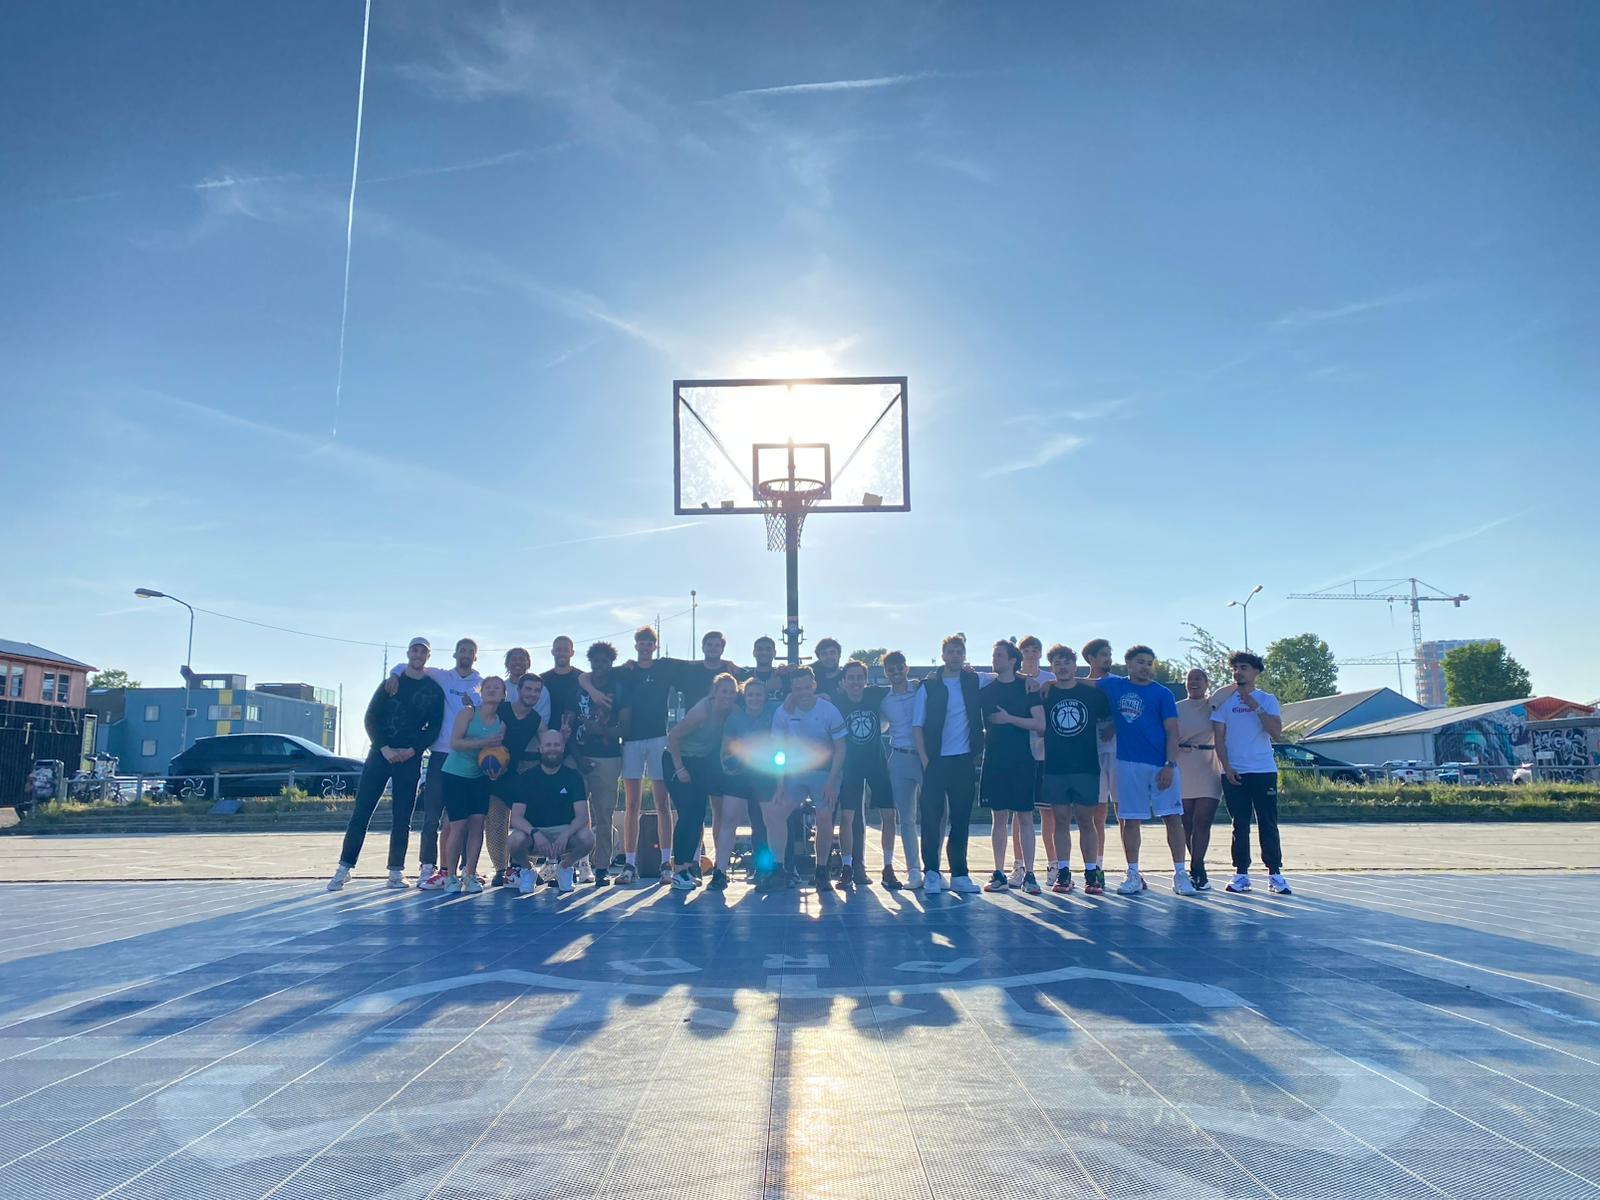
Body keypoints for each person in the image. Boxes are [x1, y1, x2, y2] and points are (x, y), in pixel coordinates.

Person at [327, 637, 444, 891]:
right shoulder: (391, 682)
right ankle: (344, 867)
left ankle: (395, 872)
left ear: (428, 656)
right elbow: (371, 717)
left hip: (409, 759)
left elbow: (434, 727)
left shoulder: (433, 690)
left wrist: (413, 749)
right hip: (380, 755)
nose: (418, 654)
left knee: (402, 817)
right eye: (414, 649)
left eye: (423, 651)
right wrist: (384, 747)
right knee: (362, 813)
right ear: (408, 653)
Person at [1099, 647, 1196, 897]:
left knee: (1173, 818)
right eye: (1140, 662)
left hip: (1160, 764)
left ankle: (1180, 874)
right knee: (1130, 819)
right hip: (1128, 764)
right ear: (1128, 664)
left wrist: (1170, 764)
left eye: (1149, 663)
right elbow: (1081, 684)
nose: (1145, 667)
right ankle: (1132, 873)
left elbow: (1173, 731)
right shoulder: (1113, 686)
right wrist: (1045, 685)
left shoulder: (1161, 694)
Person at [585, 626, 674, 886]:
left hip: (658, 738)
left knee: (662, 803)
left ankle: (666, 863)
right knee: (632, 804)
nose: (645, 647)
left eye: (650, 643)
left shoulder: (665, 667)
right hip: (631, 741)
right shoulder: (625, 670)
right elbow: (585, 678)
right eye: (641, 643)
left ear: (655, 646)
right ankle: (629, 864)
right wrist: (593, 692)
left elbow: (700, 667)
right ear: (636, 646)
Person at [388, 637, 481, 884]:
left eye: (470, 651)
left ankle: (460, 870)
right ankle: (427, 867)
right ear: (455, 654)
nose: (466, 654)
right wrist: (394, 675)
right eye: (462, 650)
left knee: (460, 818)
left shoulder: (480, 683)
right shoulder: (441, 676)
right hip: (440, 755)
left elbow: (486, 704)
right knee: (432, 816)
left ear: (475, 656)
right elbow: (408, 666)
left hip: (465, 758)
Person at [1211, 651, 1291, 895]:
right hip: (1235, 772)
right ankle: (1241, 874)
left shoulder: (1267, 699)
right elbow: (1219, 738)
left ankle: (1275, 874)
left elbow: (1276, 731)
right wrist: (1227, 766)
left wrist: (1253, 705)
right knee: (1240, 824)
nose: (1238, 672)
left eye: (1243, 667)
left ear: (1256, 672)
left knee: (1268, 822)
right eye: (1235, 668)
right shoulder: (1224, 701)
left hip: (1263, 770)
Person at [1037, 645, 1113, 895]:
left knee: (1086, 820)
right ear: (1052, 669)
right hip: (1056, 766)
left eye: (1067, 662)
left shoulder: (1091, 693)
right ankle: (1064, 871)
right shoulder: (1045, 693)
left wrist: (1112, 727)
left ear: (1075, 666)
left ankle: (1092, 872)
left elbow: (1113, 708)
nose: (1062, 667)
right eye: (1057, 663)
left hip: (1086, 766)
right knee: (1060, 821)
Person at [912, 635, 985, 895]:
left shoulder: (973, 680)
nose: (955, 655)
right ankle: (931, 872)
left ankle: (960, 874)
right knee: (932, 818)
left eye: (959, 651)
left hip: (963, 760)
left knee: (961, 818)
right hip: (935, 762)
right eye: (951, 651)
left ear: (964, 655)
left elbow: (1005, 676)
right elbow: (917, 726)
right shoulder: (929, 686)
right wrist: (925, 759)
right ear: (943, 655)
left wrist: (1035, 682)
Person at [422, 676, 506, 894]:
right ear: (481, 691)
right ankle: (450, 876)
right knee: (457, 826)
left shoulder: (501, 722)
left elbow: (497, 754)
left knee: (477, 825)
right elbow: (455, 743)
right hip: (455, 774)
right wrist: (483, 743)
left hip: (479, 777)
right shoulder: (468, 713)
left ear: (503, 695)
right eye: (488, 687)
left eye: (497, 687)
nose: (492, 690)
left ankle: (470, 874)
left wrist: (496, 770)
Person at [765, 667, 846, 891]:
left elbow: (840, 748)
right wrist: (780, 784)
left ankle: (821, 871)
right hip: (795, 771)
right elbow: (778, 751)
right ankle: (779, 868)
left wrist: (832, 780)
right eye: (797, 688)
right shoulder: (783, 712)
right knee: (774, 812)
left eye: (806, 687)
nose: (802, 692)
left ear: (814, 685)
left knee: (823, 816)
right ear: (792, 689)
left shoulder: (828, 710)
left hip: (824, 772)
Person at [980, 641, 1046, 894]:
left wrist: (1009, 719)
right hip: (995, 759)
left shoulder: (1027, 688)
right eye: (993, 654)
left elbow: (1040, 724)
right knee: (998, 818)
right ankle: (998, 872)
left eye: (999, 655)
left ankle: (1030, 874)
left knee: (1026, 817)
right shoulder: (986, 692)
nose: (995, 659)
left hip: (1022, 760)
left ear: (1012, 661)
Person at [665, 672, 738, 891]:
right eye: (723, 691)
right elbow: (673, 736)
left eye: (731, 692)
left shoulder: (730, 711)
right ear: (714, 692)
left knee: (698, 814)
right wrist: (679, 768)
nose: (727, 696)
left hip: (699, 764)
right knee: (686, 813)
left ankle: (687, 867)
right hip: (676, 759)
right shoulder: (701, 711)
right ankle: (677, 869)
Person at [508, 728, 595, 895]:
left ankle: (564, 868)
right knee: (513, 841)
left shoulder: (573, 776)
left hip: (563, 832)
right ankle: (528, 870)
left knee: (588, 838)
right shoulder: (526, 777)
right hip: (535, 834)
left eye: (556, 744)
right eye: (548, 745)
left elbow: (582, 815)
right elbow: (516, 818)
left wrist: (565, 835)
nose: (552, 748)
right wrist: (535, 833)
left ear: (563, 748)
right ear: (540, 748)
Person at [834, 659, 892, 888]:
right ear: (844, 682)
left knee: (889, 815)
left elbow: (906, 685)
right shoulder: (837, 701)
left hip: (876, 764)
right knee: (847, 817)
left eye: (860, 678)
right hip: (851, 766)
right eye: (851, 678)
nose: (856, 682)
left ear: (865, 681)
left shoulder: (875, 695)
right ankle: (847, 866)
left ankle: (888, 868)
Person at [484, 673, 544, 886]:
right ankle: (501, 870)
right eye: (528, 689)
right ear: (519, 690)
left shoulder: (536, 719)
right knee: (495, 823)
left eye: (536, 690)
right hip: (491, 771)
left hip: (514, 774)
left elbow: (547, 742)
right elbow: (480, 725)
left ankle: (522, 867)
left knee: (530, 819)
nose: (532, 694)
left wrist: (561, 737)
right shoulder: (502, 709)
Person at [573, 641, 625, 886]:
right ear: (590, 662)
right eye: (596, 661)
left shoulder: (619, 687)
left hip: (608, 757)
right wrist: (577, 756)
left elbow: (626, 724)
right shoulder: (580, 687)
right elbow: (569, 723)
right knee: (574, 814)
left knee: (604, 814)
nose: (600, 665)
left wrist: (602, 730)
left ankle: (602, 866)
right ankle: (572, 865)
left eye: (604, 661)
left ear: (610, 663)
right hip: (579, 755)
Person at [719, 675, 779, 883]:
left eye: (759, 695)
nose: (755, 698)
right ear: (745, 697)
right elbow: (726, 750)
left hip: (765, 775)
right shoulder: (735, 719)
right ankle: (720, 872)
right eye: (751, 695)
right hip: (740, 775)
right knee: (729, 820)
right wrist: (732, 761)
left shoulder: (774, 711)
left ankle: (766, 870)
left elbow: (794, 700)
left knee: (764, 824)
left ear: (765, 697)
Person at [878, 651, 923, 889]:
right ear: (886, 673)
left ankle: (933, 868)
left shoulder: (920, 690)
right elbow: (882, 726)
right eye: (890, 670)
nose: (895, 673)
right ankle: (913, 870)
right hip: (899, 757)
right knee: (906, 818)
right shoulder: (884, 700)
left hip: (925, 758)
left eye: (899, 668)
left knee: (938, 815)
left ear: (906, 668)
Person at [1176, 667, 1223, 892]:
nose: (1194, 682)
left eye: (1199, 678)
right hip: (1182, 763)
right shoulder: (1176, 708)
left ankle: (1197, 866)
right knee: (1186, 821)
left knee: (1203, 820)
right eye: (1190, 678)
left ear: (1206, 682)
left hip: (1208, 763)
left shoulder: (1214, 705)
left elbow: (1233, 688)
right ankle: (1194, 867)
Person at [1013, 635, 1053, 886]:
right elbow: (985, 678)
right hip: (1019, 750)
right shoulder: (1011, 678)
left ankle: (1054, 865)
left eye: (1034, 649)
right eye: (1025, 649)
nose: (1030, 653)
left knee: (1049, 812)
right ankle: (1019, 866)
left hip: (1046, 751)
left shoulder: (1049, 680)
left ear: (1040, 652)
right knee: (1020, 812)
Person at [1083, 637, 1118, 888]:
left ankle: (1132, 870)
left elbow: (1131, 712)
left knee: (1124, 811)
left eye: (1109, 654)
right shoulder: (1082, 686)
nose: (1107, 658)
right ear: (1091, 659)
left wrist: (1114, 725)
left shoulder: (1119, 683)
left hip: (1117, 753)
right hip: (1092, 753)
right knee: (1097, 813)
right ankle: (1096, 867)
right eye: (1103, 654)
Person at [744, 636, 789, 703]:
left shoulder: (783, 676)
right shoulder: (744, 678)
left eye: (768, 649)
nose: (764, 652)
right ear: (754, 653)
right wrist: (767, 688)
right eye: (759, 649)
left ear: (774, 653)